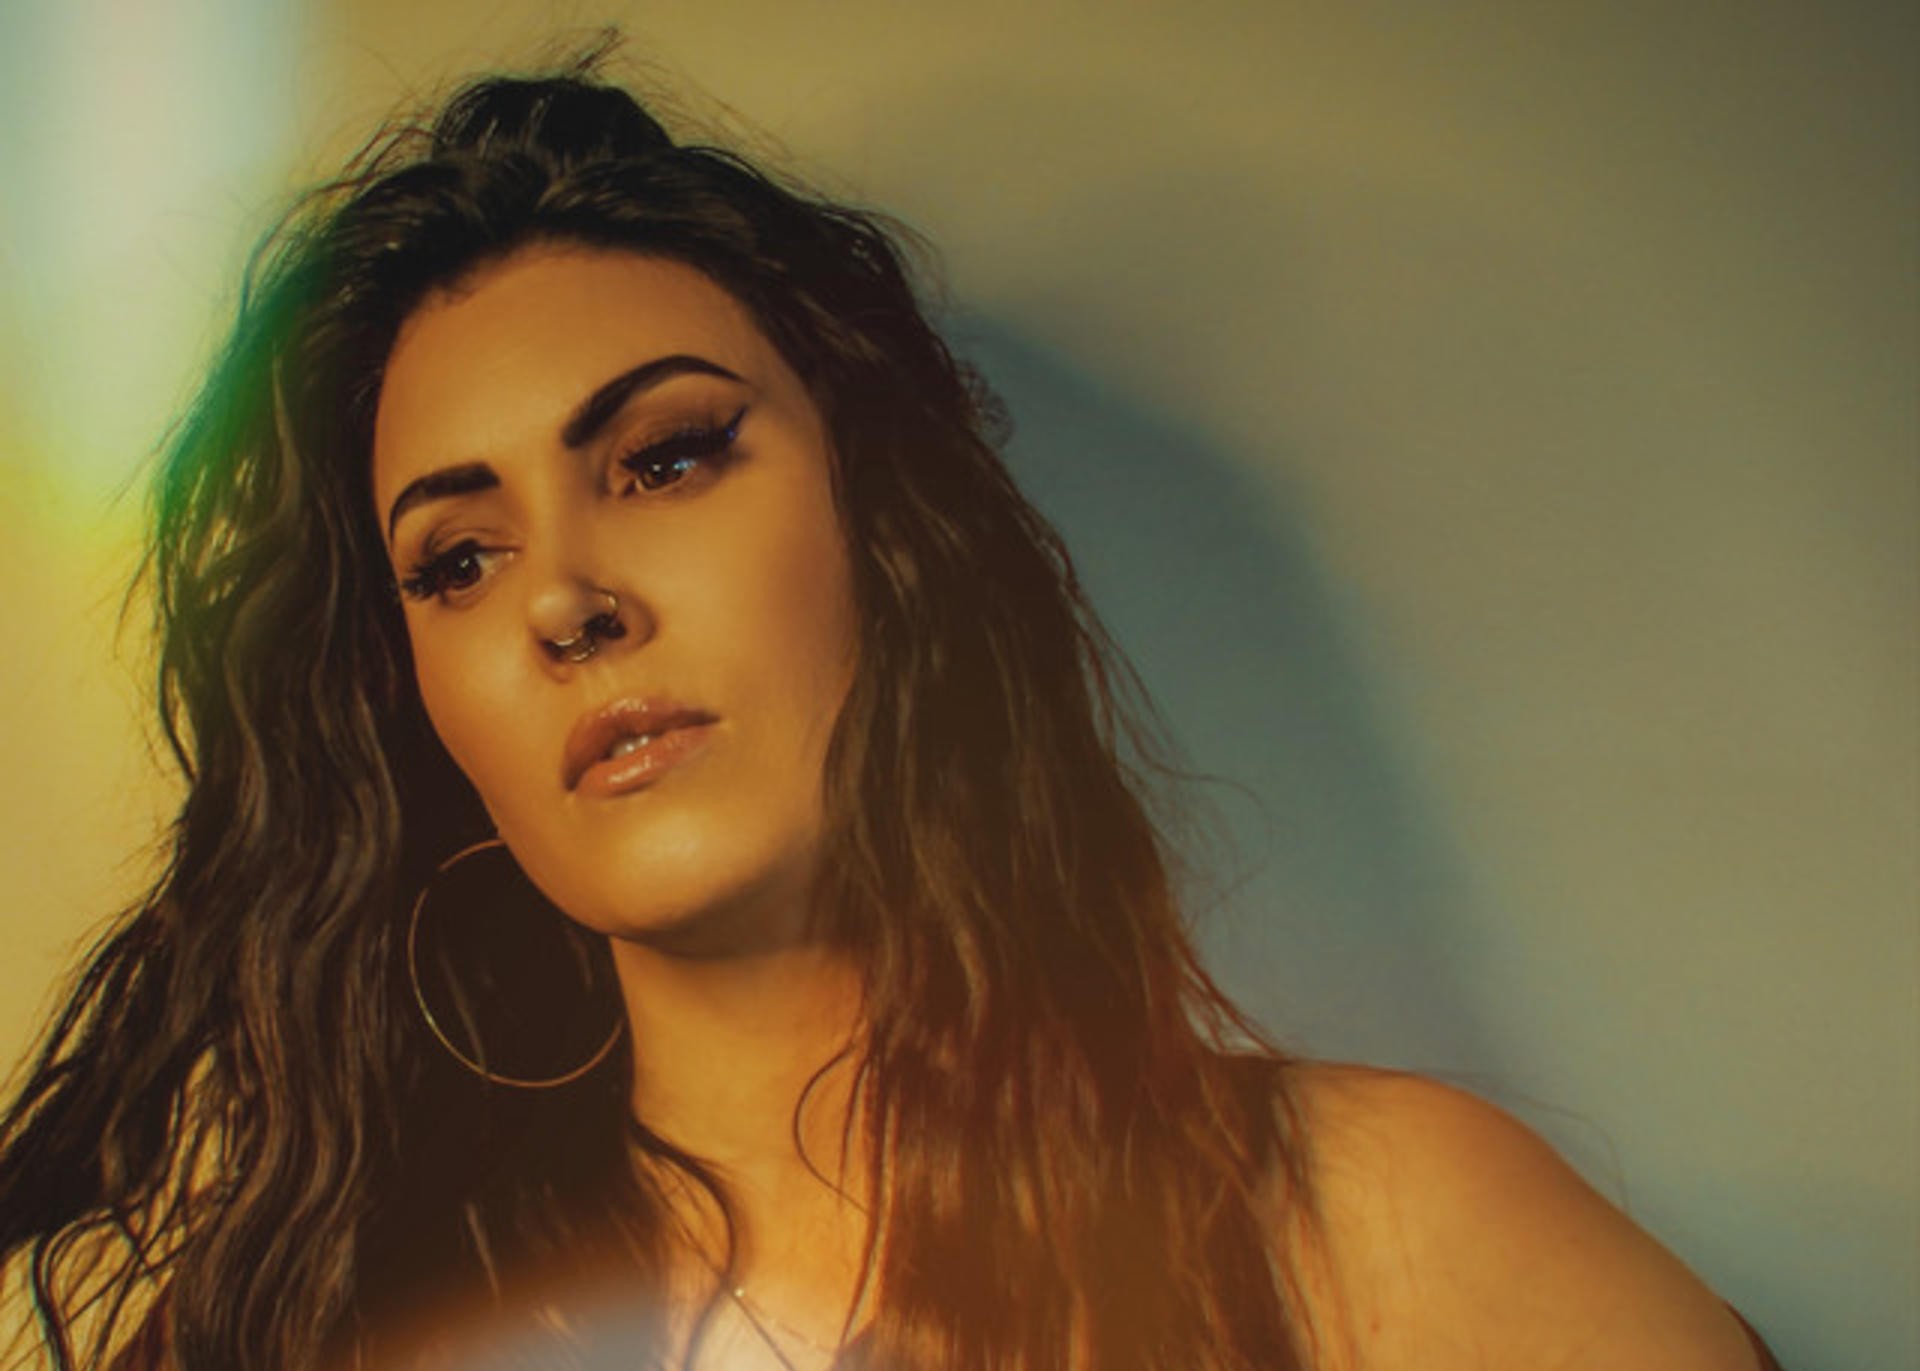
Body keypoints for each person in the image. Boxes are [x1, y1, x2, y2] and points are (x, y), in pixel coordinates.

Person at [0, 57, 1781, 1371]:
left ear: (887, 532)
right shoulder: (300, 1337)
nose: (563, 599)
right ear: (420, 713)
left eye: (665, 458)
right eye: (457, 560)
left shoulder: (1366, 1230)